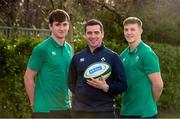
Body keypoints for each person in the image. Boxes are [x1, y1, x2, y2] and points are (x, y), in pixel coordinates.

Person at [68, 19, 127, 118]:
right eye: (89, 33)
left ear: (102, 34)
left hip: (104, 112)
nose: (93, 36)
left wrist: (106, 87)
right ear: (85, 35)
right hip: (80, 112)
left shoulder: (113, 57)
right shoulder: (77, 57)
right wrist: (83, 93)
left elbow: (123, 85)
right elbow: (71, 82)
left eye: (96, 32)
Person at [24, 9, 72, 118]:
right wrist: (33, 103)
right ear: (50, 26)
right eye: (57, 25)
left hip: (65, 107)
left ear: (68, 26)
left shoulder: (69, 48)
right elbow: (28, 77)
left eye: (65, 24)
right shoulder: (41, 49)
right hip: (46, 109)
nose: (62, 28)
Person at [120, 17, 164, 118]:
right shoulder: (122, 55)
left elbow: (158, 84)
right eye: (126, 29)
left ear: (140, 31)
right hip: (126, 111)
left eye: (132, 29)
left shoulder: (147, 53)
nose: (129, 32)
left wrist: (150, 102)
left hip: (144, 114)